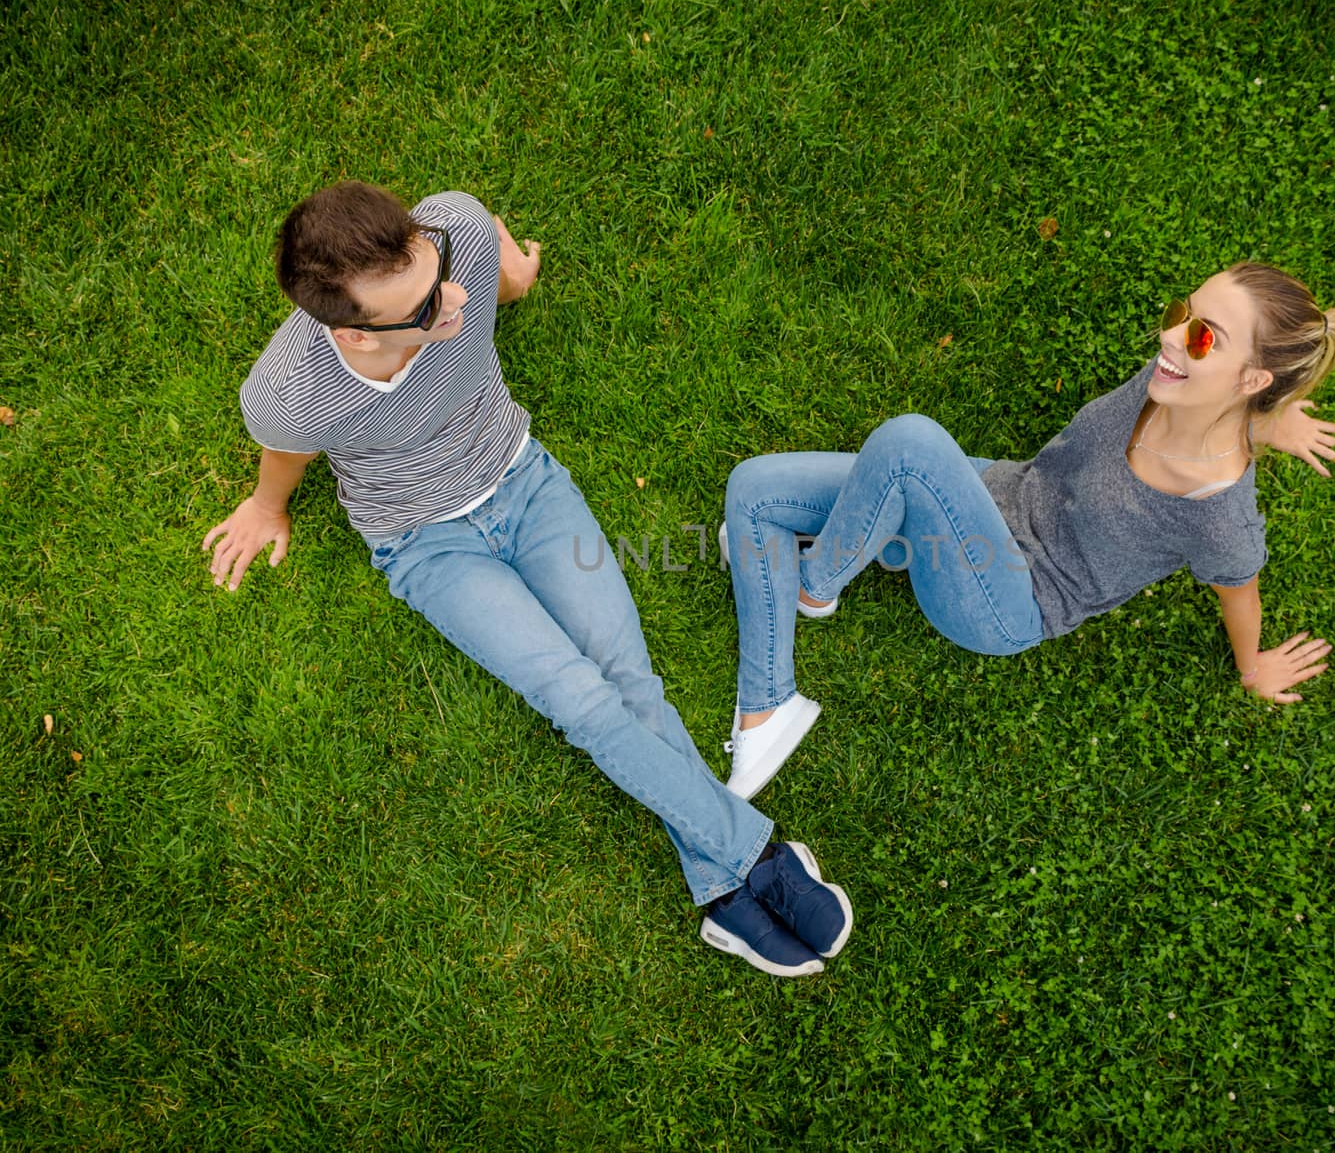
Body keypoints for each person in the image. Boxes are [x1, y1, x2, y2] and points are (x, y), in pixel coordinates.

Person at [202, 182, 851, 977]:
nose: (454, 299)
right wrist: (269, 507)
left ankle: (723, 893)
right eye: (422, 308)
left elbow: (490, 264)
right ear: (356, 336)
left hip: (528, 484)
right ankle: (756, 858)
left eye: (437, 269)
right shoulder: (289, 394)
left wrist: (516, 276)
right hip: (426, 543)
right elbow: (288, 454)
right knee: (580, 700)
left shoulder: (459, 235)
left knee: (633, 684)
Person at [719, 262, 1335, 794]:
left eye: (1203, 337)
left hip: (1008, 600)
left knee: (909, 445)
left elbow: (1239, 587)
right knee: (751, 490)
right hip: (994, 492)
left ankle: (779, 673)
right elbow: (1218, 415)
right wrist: (1270, 422)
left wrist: (1252, 667)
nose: (1171, 338)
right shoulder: (1171, 383)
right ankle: (812, 577)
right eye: (1180, 313)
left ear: (1252, 379)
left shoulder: (1220, 517)